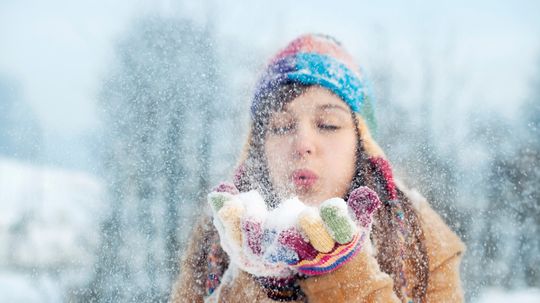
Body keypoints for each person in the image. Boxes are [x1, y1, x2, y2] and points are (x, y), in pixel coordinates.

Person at [170, 34, 465, 303]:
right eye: (282, 127)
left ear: (363, 143)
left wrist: (343, 273)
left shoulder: (419, 236)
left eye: (328, 124)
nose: (303, 144)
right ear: (258, 148)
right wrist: (255, 276)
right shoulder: (216, 239)